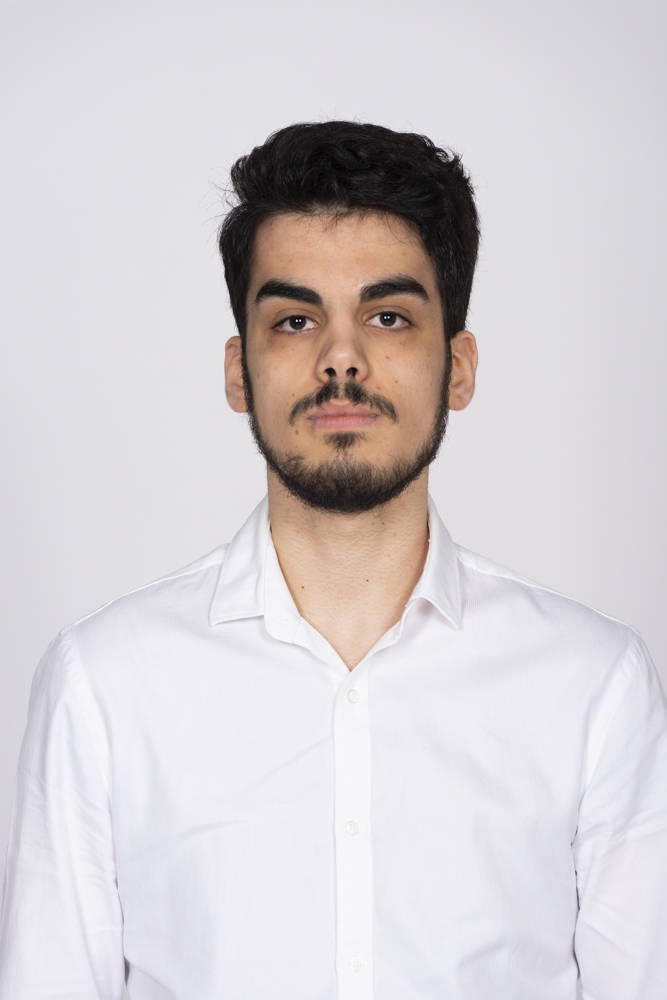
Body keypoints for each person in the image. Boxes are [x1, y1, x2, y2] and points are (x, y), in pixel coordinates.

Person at [1, 121, 665, 999]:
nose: (340, 359)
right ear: (238, 371)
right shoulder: (102, 686)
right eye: (294, 320)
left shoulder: (594, 687)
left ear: (458, 367)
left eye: (388, 317)